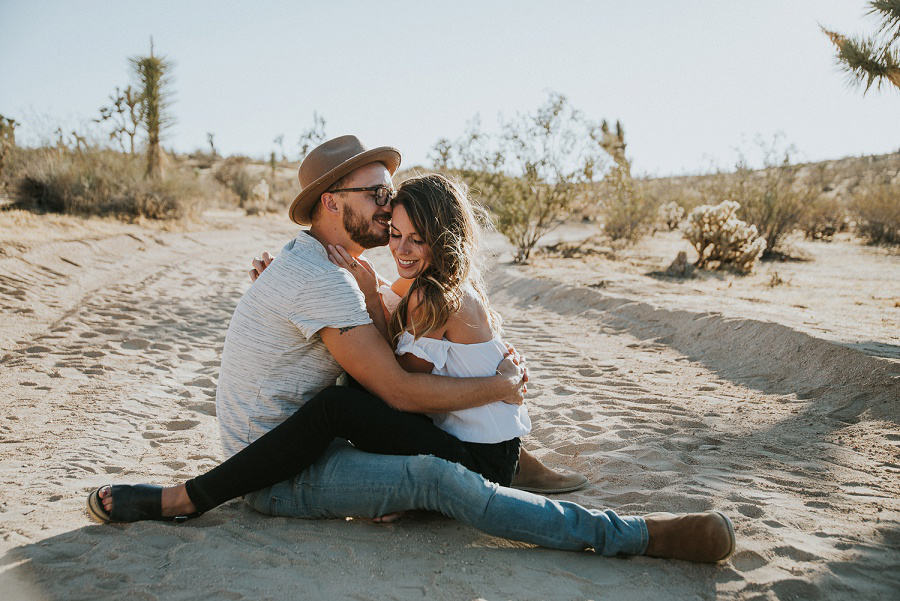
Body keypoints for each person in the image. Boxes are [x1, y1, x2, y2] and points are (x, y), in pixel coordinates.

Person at [87, 135, 736, 562]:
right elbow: (397, 386)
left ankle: (513, 458)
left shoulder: (327, 266)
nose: (387, 205)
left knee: (355, 404)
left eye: (391, 201)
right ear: (330, 202)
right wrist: (499, 386)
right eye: (376, 197)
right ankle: (632, 533)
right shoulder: (319, 276)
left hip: (314, 440)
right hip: (276, 471)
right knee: (422, 464)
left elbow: (403, 347)